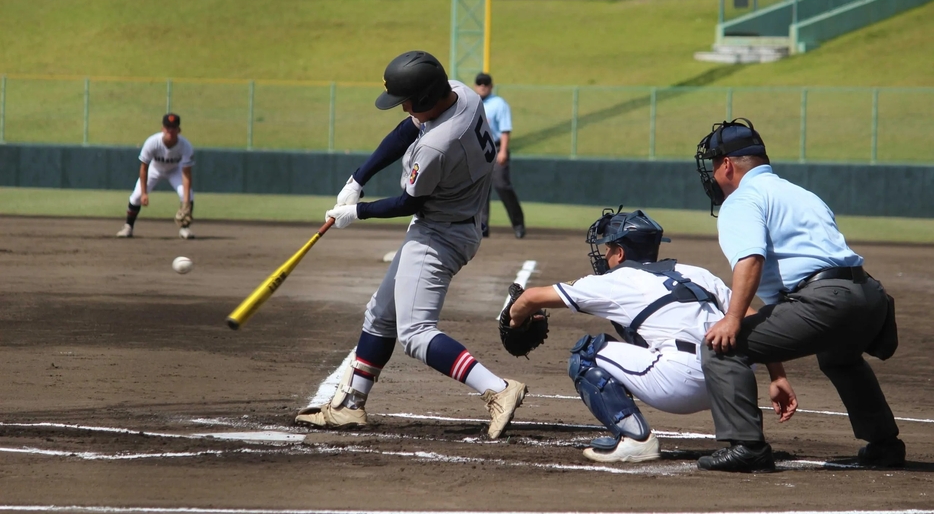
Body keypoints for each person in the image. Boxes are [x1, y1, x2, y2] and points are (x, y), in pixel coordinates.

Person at [294, 50, 528, 439]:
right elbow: (407, 129)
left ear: (423, 98)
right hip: (448, 222)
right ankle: (350, 406)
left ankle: (498, 390)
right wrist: (358, 178)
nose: (401, 107)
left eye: (405, 100)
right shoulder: (461, 95)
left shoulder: (438, 145)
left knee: (416, 334)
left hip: (441, 234)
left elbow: (410, 203)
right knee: (380, 315)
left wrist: (359, 213)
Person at [506, 206, 797, 463]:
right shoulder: (697, 273)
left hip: (682, 383)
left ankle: (634, 440)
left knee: (586, 354)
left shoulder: (616, 281)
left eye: (608, 248)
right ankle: (743, 436)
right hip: (734, 380)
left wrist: (514, 319)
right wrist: (778, 377)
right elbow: (751, 317)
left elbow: (530, 298)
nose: (604, 254)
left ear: (620, 252)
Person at [693, 118, 903, 472]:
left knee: (720, 347)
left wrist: (732, 319)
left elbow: (750, 260)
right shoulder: (800, 193)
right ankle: (884, 445)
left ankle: (748, 446)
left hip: (826, 301)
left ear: (727, 165)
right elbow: (786, 298)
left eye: (714, 166)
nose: (713, 175)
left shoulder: (742, 200)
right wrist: (778, 375)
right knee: (840, 357)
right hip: (869, 298)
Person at [116, 113, 195, 239]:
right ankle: (128, 226)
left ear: (179, 130)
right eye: (167, 127)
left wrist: (186, 201)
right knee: (136, 197)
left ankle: (184, 228)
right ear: (162, 129)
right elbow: (144, 167)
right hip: (154, 169)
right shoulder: (152, 142)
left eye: (173, 127)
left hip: (175, 170)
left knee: (188, 195)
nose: (170, 130)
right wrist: (144, 193)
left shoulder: (185, 146)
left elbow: (186, 173)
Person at [474, 73, 525, 239]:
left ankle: (518, 224)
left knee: (502, 186)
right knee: (480, 189)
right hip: (477, 150)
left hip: (495, 147)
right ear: (475, 86)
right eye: (479, 83)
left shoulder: (498, 103)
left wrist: (503, 150)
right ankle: (482, 226)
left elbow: (505, 130)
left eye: (485, 83)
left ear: (491, 86)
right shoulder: (472, 103)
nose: (482, 86)